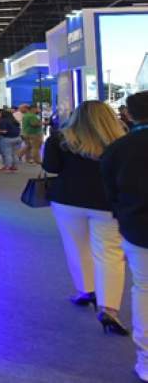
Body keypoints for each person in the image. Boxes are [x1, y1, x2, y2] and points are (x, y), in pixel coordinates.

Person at [44, 100, 128, 336]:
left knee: (77, 247)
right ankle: (109, 308)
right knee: (110, 254)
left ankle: (86, 290)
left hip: (67, 200)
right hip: (107, 203)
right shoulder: (120, 140)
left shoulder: (59, 139)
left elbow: (51, 167)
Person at [102, 91, 148, 380]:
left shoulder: (118, 149)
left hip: (138, 227)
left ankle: (146, 360)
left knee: (144, 289)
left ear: (128, 115)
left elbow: (111, 192)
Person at [0, 108, 22, 172]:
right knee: (14, 154)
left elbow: (4, 131)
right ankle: (14, 166)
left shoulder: (3, 120)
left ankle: (8, 167)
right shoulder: (14, 120)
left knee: (7, 154)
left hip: (7, 139)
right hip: (18, 138)